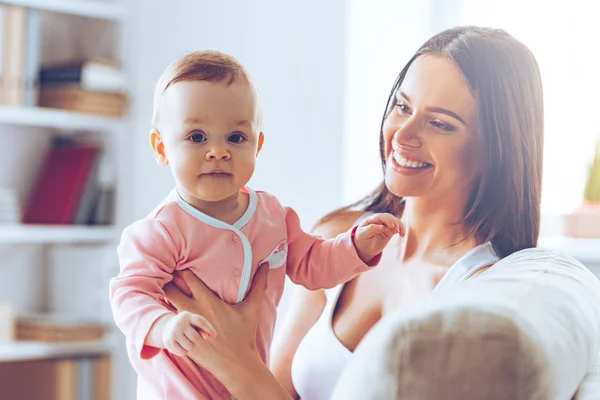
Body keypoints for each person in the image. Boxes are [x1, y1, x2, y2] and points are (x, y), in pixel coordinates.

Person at [162, 26, 547, 400]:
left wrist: (235, 362)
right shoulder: (335, 237)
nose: (402, 134)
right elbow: (278, 388)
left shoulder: (472, 296)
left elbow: (250, 379)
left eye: (439, 123)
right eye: (402, 106)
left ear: (496, 149)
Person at [108, 50, 403, 399]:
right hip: (176, 391)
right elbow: (129, 294)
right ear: (161, 147)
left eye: (235, 138)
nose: (218, 151)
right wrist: (162, 326)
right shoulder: (161, 230)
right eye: (197, 137)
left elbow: (313, 264)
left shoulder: (273, 215)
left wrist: (356, 246)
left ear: (257, 145)